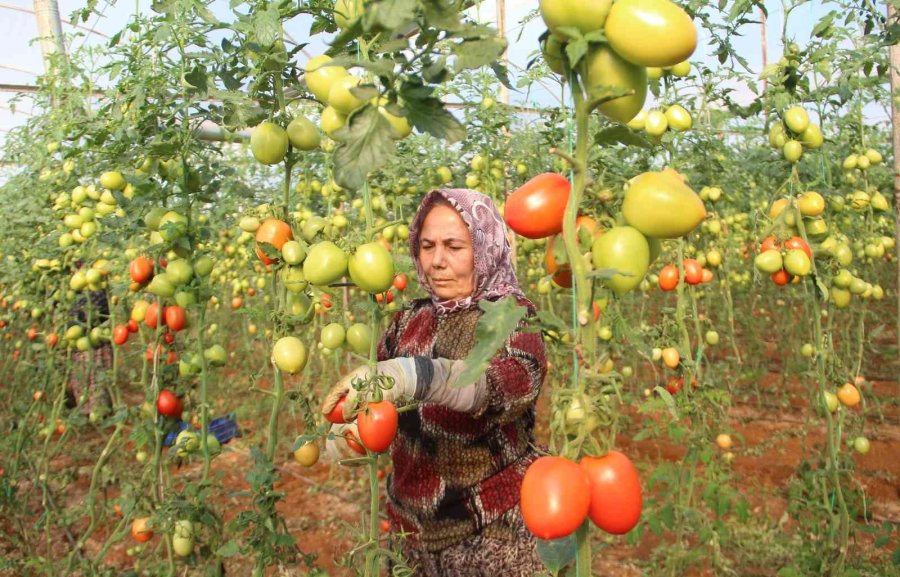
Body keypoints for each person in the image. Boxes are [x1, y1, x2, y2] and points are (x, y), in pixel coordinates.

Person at [321, 189, 548, 577]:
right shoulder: (408, 321)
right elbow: (376, 404)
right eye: (427, 246)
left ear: (484, 247)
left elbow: (510, 385)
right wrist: (344, 434)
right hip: (410, 531)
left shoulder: (511, 315)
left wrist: (419, 376)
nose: (437, 261)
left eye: (454, 246)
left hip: (491, 531)